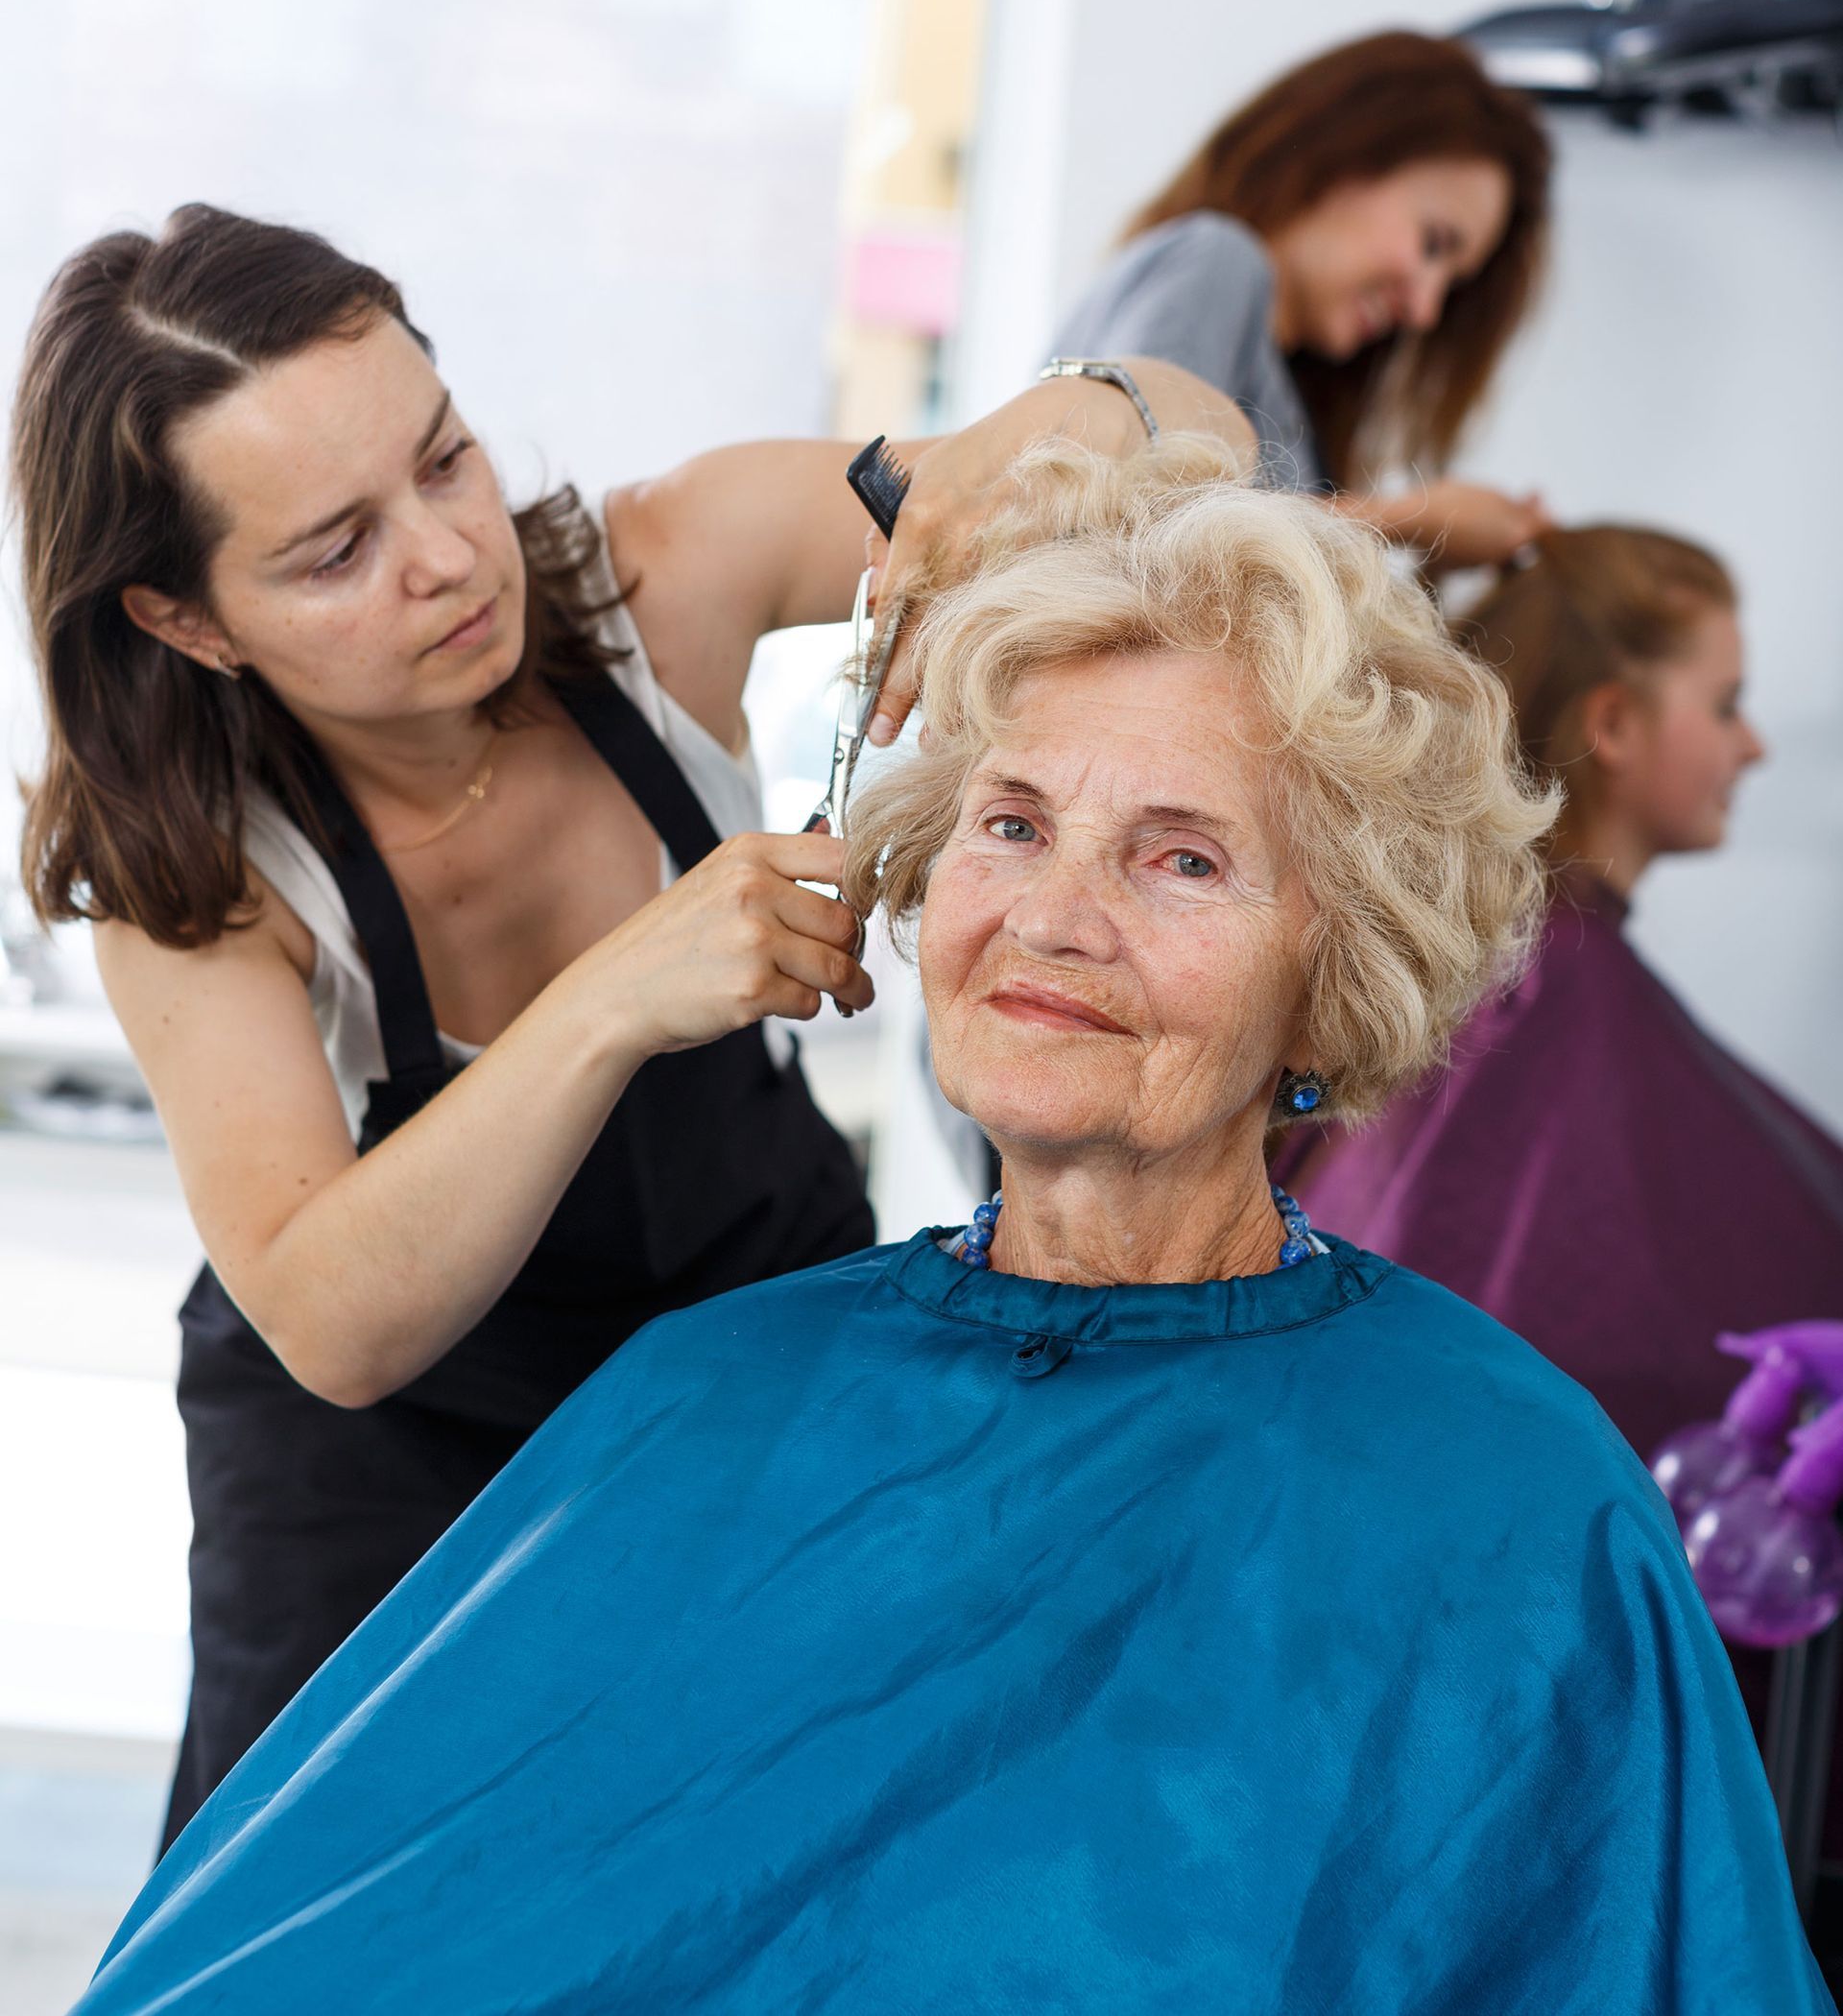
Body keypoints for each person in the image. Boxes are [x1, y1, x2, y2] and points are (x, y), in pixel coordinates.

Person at [77, 445, 1828, 2013]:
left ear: (1335, 969)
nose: (1053, 915)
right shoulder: (708, 1396)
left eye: (1182, 858)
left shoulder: (1514, 1498)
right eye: (1011, 823)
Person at [12, 204, 1249, 1844]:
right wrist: (620, 988)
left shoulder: (665, 572)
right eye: (336, 550)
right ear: (188, 620)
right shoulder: (198, 862)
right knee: (338, 1902)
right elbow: (333, 1318)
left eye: (443, 460)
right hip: (378, 1470)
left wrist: (1063, 427)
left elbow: (1200, 438)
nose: (447, 556)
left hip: (745, 1354)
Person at [1276, 524, 1843, 1471]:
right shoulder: (1536, 994)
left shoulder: (1511, 971)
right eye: (1725, 705)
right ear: (1612, 724)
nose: (1753, 746)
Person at [1051, 30, 1554, 568]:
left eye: (1450, 287)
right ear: (1342, 156)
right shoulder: (1216, 261)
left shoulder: (1290, 399)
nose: (1425, 310)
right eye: (1432, 243)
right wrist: (1408, 519)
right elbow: (1135, 528)